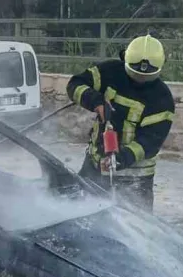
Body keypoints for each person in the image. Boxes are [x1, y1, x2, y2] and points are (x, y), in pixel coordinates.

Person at [66, 35, 175, 211]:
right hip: (93, 166)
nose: (139, 80)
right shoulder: (110, 72)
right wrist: (95, 101)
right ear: (124, 59)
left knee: (134, 228)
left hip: (135, 179)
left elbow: (150, 142)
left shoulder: (162, 99)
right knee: (77, 210)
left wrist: (121, 159)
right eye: (135, 74)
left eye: (145, 77)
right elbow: (75, 84)